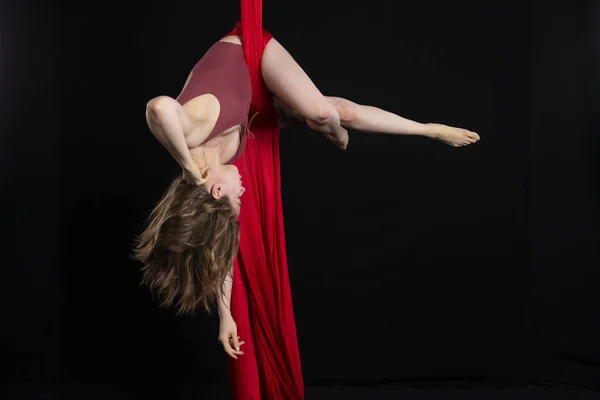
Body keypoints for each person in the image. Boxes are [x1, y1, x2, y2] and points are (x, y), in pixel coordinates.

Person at [133, 30, 479, 399]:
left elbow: (158, 108)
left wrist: (186, 167)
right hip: (251, 106)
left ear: (215, 191)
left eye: (238, 197)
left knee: (322, 115)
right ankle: (428, 130)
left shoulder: (193, 134)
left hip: (248, 49)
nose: (245, 191)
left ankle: (337, 135)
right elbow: (221, 251)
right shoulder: (223, 175)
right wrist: (225, 316)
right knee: (341, 112)